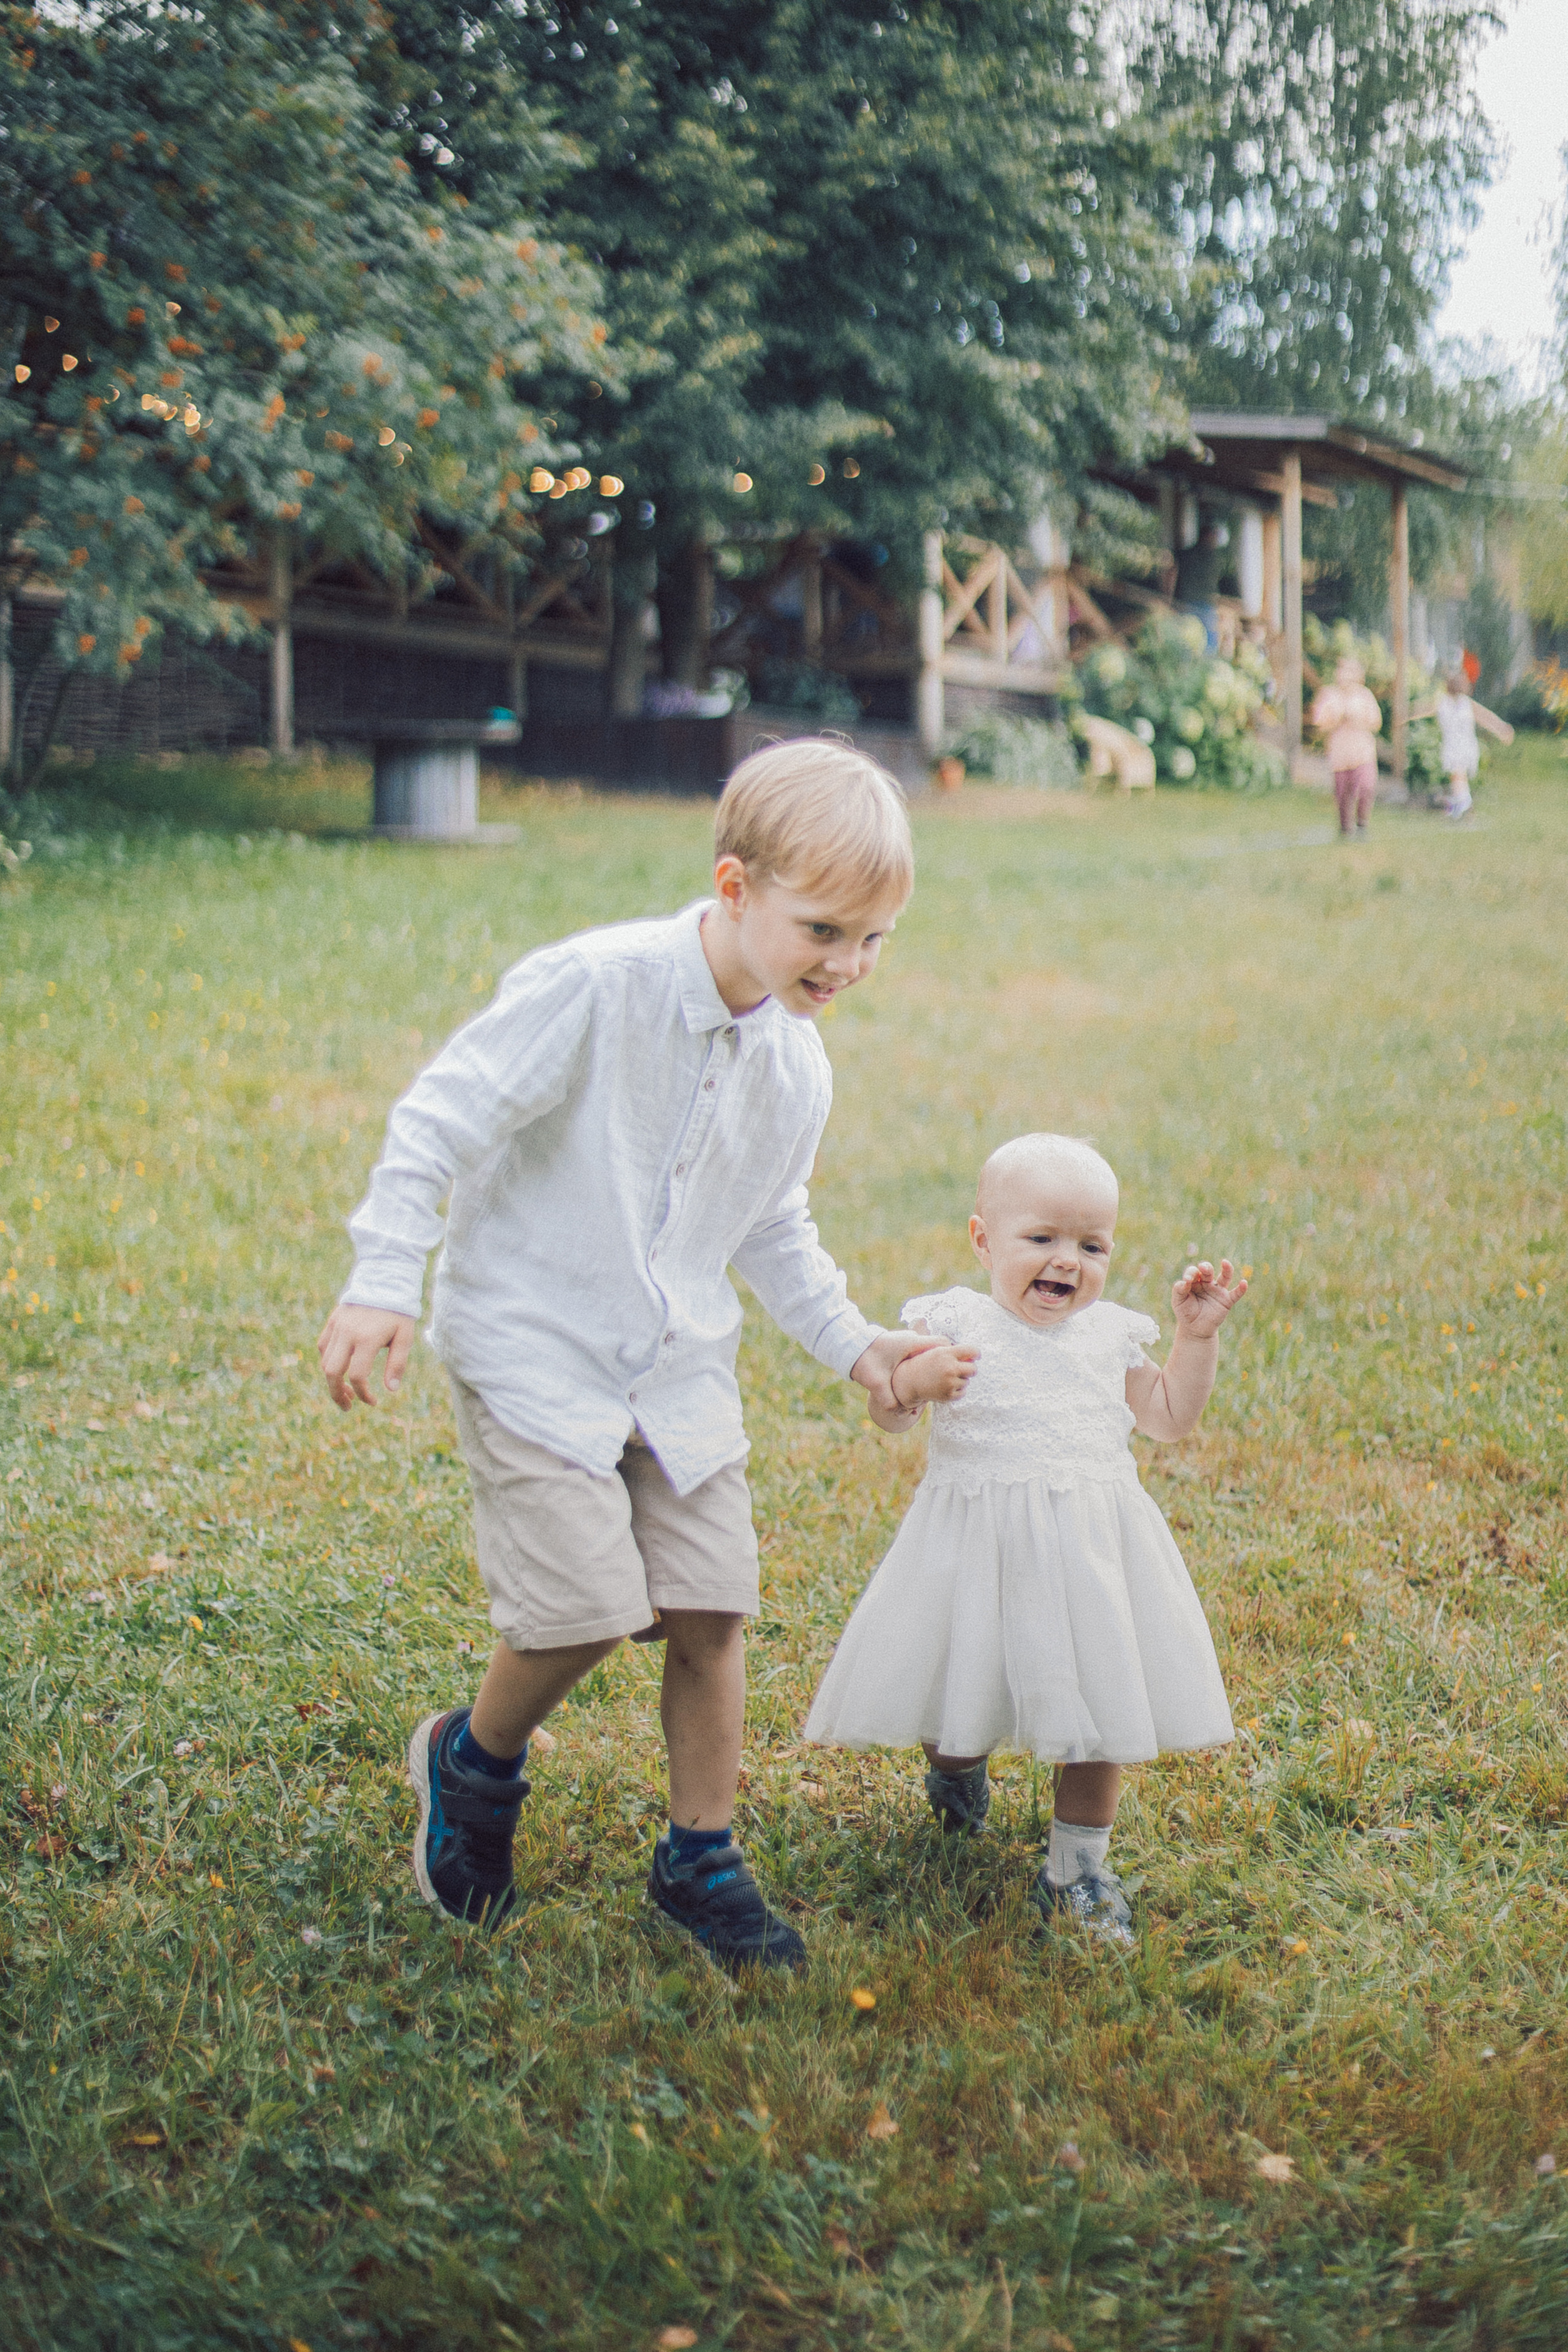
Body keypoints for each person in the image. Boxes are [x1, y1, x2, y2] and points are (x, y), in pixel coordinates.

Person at [316, 742, 935, 1971]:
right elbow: (438, 1119)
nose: (849, 965)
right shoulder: (598, 986)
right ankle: (472, 1764)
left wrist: (858, 1347)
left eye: (874, 939)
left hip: (676, 1370)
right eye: (824, 931)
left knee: (712, 1607)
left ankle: (698, 1855)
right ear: (733, 887)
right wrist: (385, 1276)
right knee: (582, 1609)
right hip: (535, 1345)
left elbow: (772, 1225)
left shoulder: (795, 1064)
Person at [803, 1134, 1244, 1946]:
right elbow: (889, 1413)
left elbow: (1169, 1418)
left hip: (1090, 1557)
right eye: (1041, 1238)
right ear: (984, 1240)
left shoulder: (1109, 1336)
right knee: (954, 1698)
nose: (1067, 1260)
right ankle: (956, 1772)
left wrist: (1196, 1339)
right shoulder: (952, 1323)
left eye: (1092, 1246)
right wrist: (912, 1383)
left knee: (1100, 1710)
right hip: (974, 1552)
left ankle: (1077, 1870)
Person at [1411, 668, 1514, 818]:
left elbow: (1486, 718)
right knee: (1458, 777)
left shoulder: (1467, 704)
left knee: (1459, 775)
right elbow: (1422, 710)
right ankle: (1462, 807)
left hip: (1465, 744)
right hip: (1452, 744)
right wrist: (1406, 715)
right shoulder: (1442, 702)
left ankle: (1464, 807)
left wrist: (1502, 729)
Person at [1309, 655, 1383, 835]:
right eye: (1342, 670)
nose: (1344, 675)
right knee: (1342, 793)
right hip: (1340, 754)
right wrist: (1337, 720)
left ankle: (1362, 823)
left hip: (1362, 753)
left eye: (1349, 671)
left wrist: (1357, 720)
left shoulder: (1364, 696)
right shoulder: (1329, 695)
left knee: (1366, 787)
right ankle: (1345, 827)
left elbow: (1376, 723)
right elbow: (1319, 725)